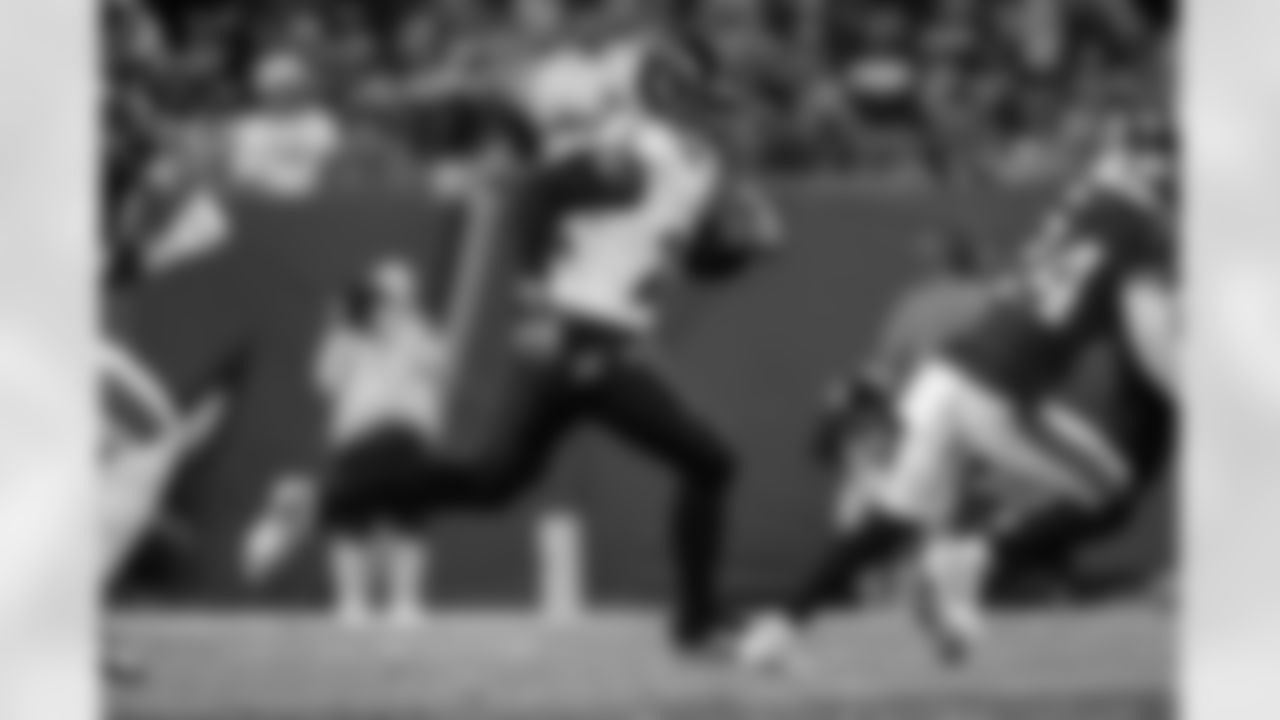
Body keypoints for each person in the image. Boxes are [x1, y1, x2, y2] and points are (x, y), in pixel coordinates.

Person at [735, 116, 1177, 668]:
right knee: (1109, 489)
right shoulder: (1137, 228)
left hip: (945, 378)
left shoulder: (1086, 199)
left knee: (890, 522)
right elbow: (1151, 334)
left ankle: (777, 631)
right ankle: (967, 558)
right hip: (998, 392)